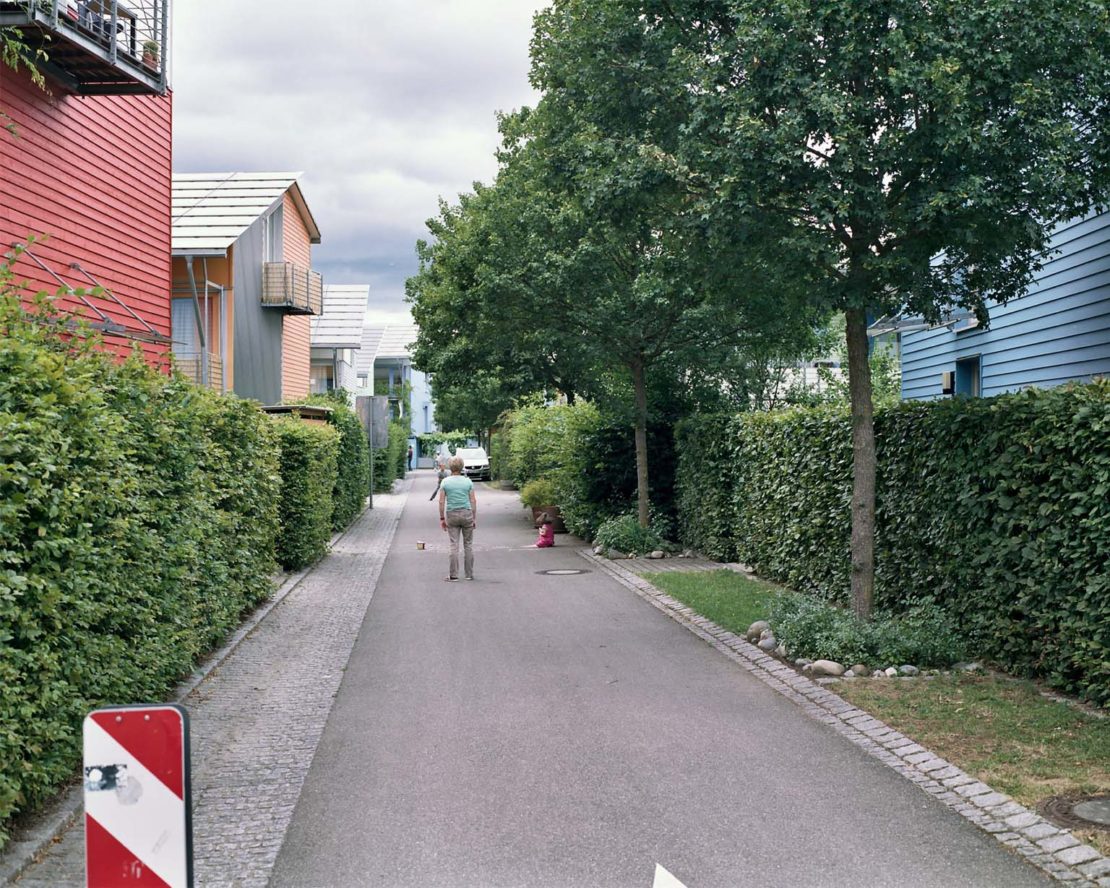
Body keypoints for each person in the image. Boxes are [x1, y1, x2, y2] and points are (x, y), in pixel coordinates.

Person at [438, 455, 476, 581]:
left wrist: (442, 518)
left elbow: (441, 502)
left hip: (452, 514)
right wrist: (473, 517)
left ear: (450, 467)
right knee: (468, 544)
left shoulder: (445, 482)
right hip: (467, 513)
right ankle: (469, 575)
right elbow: (473, 500)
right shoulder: (468, 482)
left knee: (454, 544)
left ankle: (453, 575)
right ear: (462, 467)